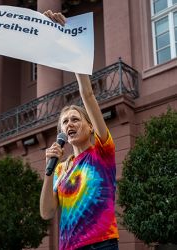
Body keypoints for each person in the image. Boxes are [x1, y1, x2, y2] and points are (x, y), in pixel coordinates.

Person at [39, 10, 119, 250]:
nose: (69, 125)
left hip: (101, 245)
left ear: (89, 126)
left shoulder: (102, 152)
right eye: (65, 122)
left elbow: (88, 94)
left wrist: (72, 48)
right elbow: (47, 212)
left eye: (75, 119)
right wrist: (49, 171)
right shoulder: (61, 168)